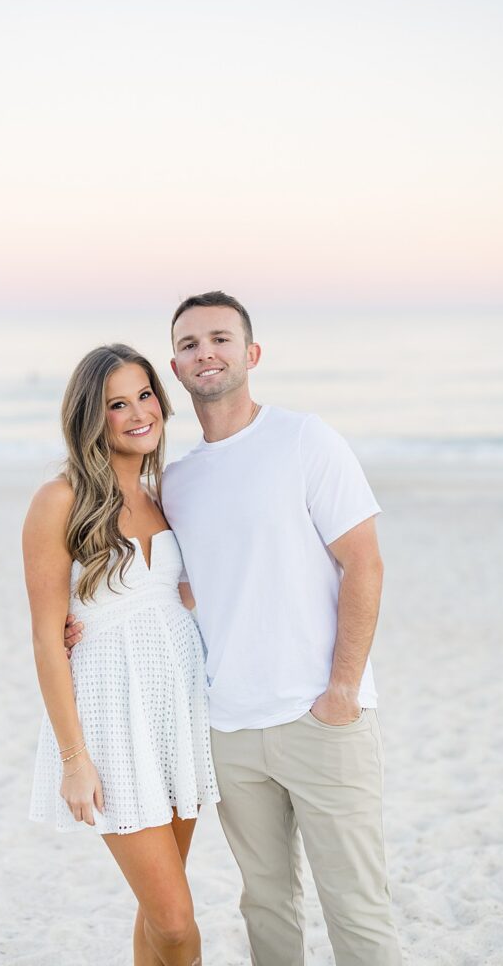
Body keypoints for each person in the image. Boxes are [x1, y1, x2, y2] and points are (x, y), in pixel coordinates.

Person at [65, 292, 403, 966]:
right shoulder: (180, 482)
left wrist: (339, 692)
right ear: (175, 369)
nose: (205, 353)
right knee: (265, 905)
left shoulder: (304, 439)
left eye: (219, 338)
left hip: (321, 720)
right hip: (226, 731)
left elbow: (363, 564)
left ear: (250, 354)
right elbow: (176, 584)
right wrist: (93, 620)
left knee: (356, 911)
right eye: (189, 345)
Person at [25, 343, 219, 966]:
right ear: (91, 416)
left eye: (145, 396)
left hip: (178, 713)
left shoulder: (169, 493)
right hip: (113, 720)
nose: (138, 413)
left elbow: (182, 592)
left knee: (156, 912)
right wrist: (74, 760)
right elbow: (46, 638)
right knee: (176, 919)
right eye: (117, 404)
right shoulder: (60, 500)